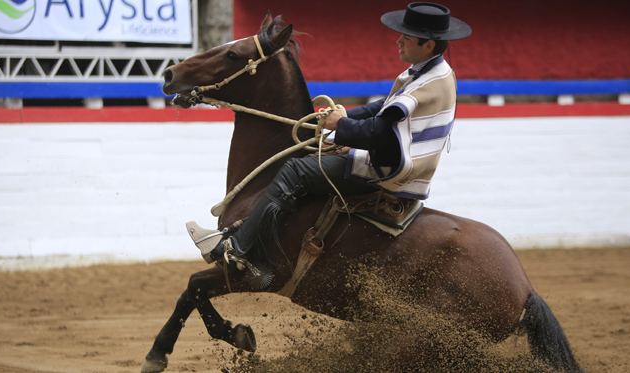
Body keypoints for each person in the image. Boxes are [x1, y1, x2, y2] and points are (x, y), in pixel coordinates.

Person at [190, 3, 472, 267]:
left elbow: (376, 132)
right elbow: (383, 109)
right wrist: (345, 117)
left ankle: (237, 248)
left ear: (429, 44)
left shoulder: (427, 82)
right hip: (396, 156)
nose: (398, 40)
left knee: (295, 170)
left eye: (406, 37)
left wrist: (341, 127)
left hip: (393, 168)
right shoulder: (432, 71)